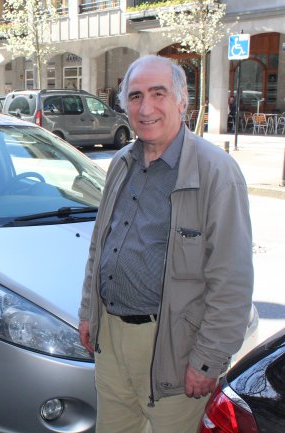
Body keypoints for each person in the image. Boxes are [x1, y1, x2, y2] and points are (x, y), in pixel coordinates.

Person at [78, 55, 253, 433]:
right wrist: (88, 312)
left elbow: (232, 280)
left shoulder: (216, 172)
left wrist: (207, 360)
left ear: (182, 100)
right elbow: (99, 246)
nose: (146, 108)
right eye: (135, 96)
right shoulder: (121, 163)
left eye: (158, 94)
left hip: (173, 348)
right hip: (111, 339)